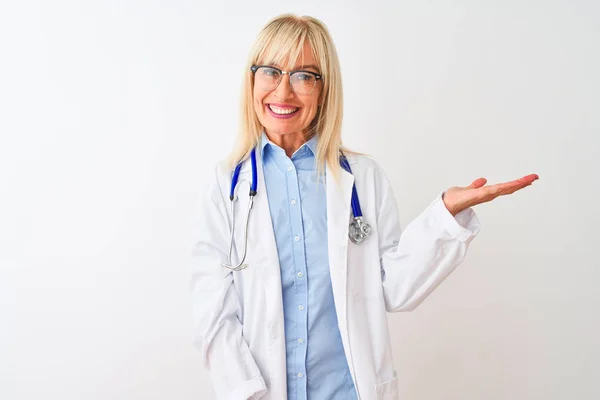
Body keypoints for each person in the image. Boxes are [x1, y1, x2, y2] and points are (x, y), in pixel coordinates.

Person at [190, 14, 538, 400]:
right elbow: (212, 312)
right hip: (263, 392)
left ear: (325, 89)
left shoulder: (362, 178)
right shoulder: (227, 187)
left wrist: (445, 215)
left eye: (304, 76)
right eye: (271, 71)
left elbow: (393, 288)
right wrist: (245, 390)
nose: (283, 91)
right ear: (252, 78)